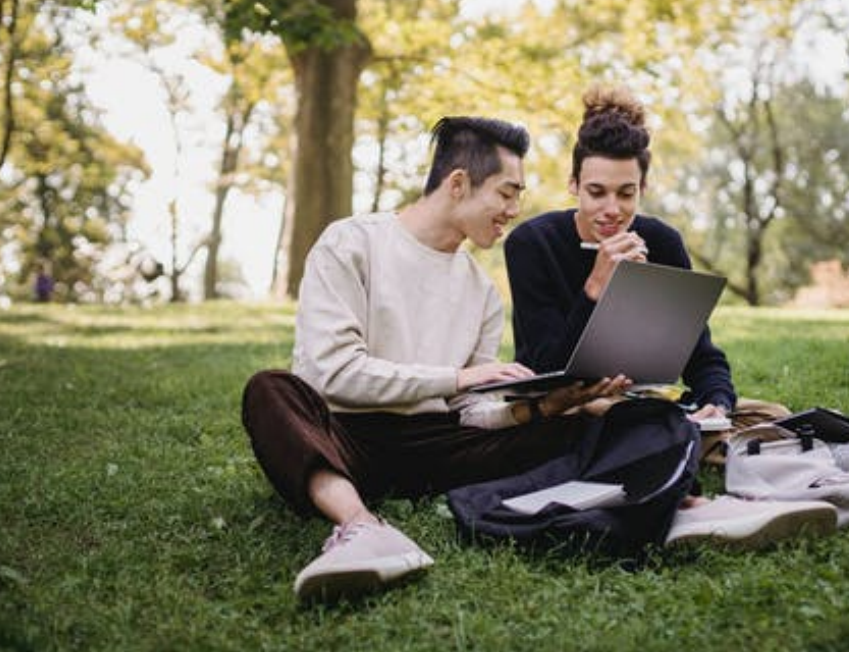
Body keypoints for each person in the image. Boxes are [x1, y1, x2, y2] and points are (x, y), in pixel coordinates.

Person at [241, 116, 629, 605]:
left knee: (575, 423)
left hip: (437, 443)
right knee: (271, 390)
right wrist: (458, 376)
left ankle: (660, 494)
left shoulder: (482, 292)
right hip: (342, 433)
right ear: (459, 183)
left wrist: (544, 407)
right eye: (506, 193)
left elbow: (470, 411)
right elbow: (330, 373)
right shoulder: (351, 243)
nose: (514, 210)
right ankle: (361, 527)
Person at [504, 84, 835, 544]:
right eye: (596, 192)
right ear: (574, 185)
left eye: (626, 193)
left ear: (644, 188)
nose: (612, 210)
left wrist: (717, 400)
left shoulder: (661, 242)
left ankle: (723, 452)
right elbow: (542, 365)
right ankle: (698, 476)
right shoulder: (531, 244)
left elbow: (701, 354)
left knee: (770, 414)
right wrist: (596, 288)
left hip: (653, 406)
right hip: (576, 410)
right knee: (615, 416)